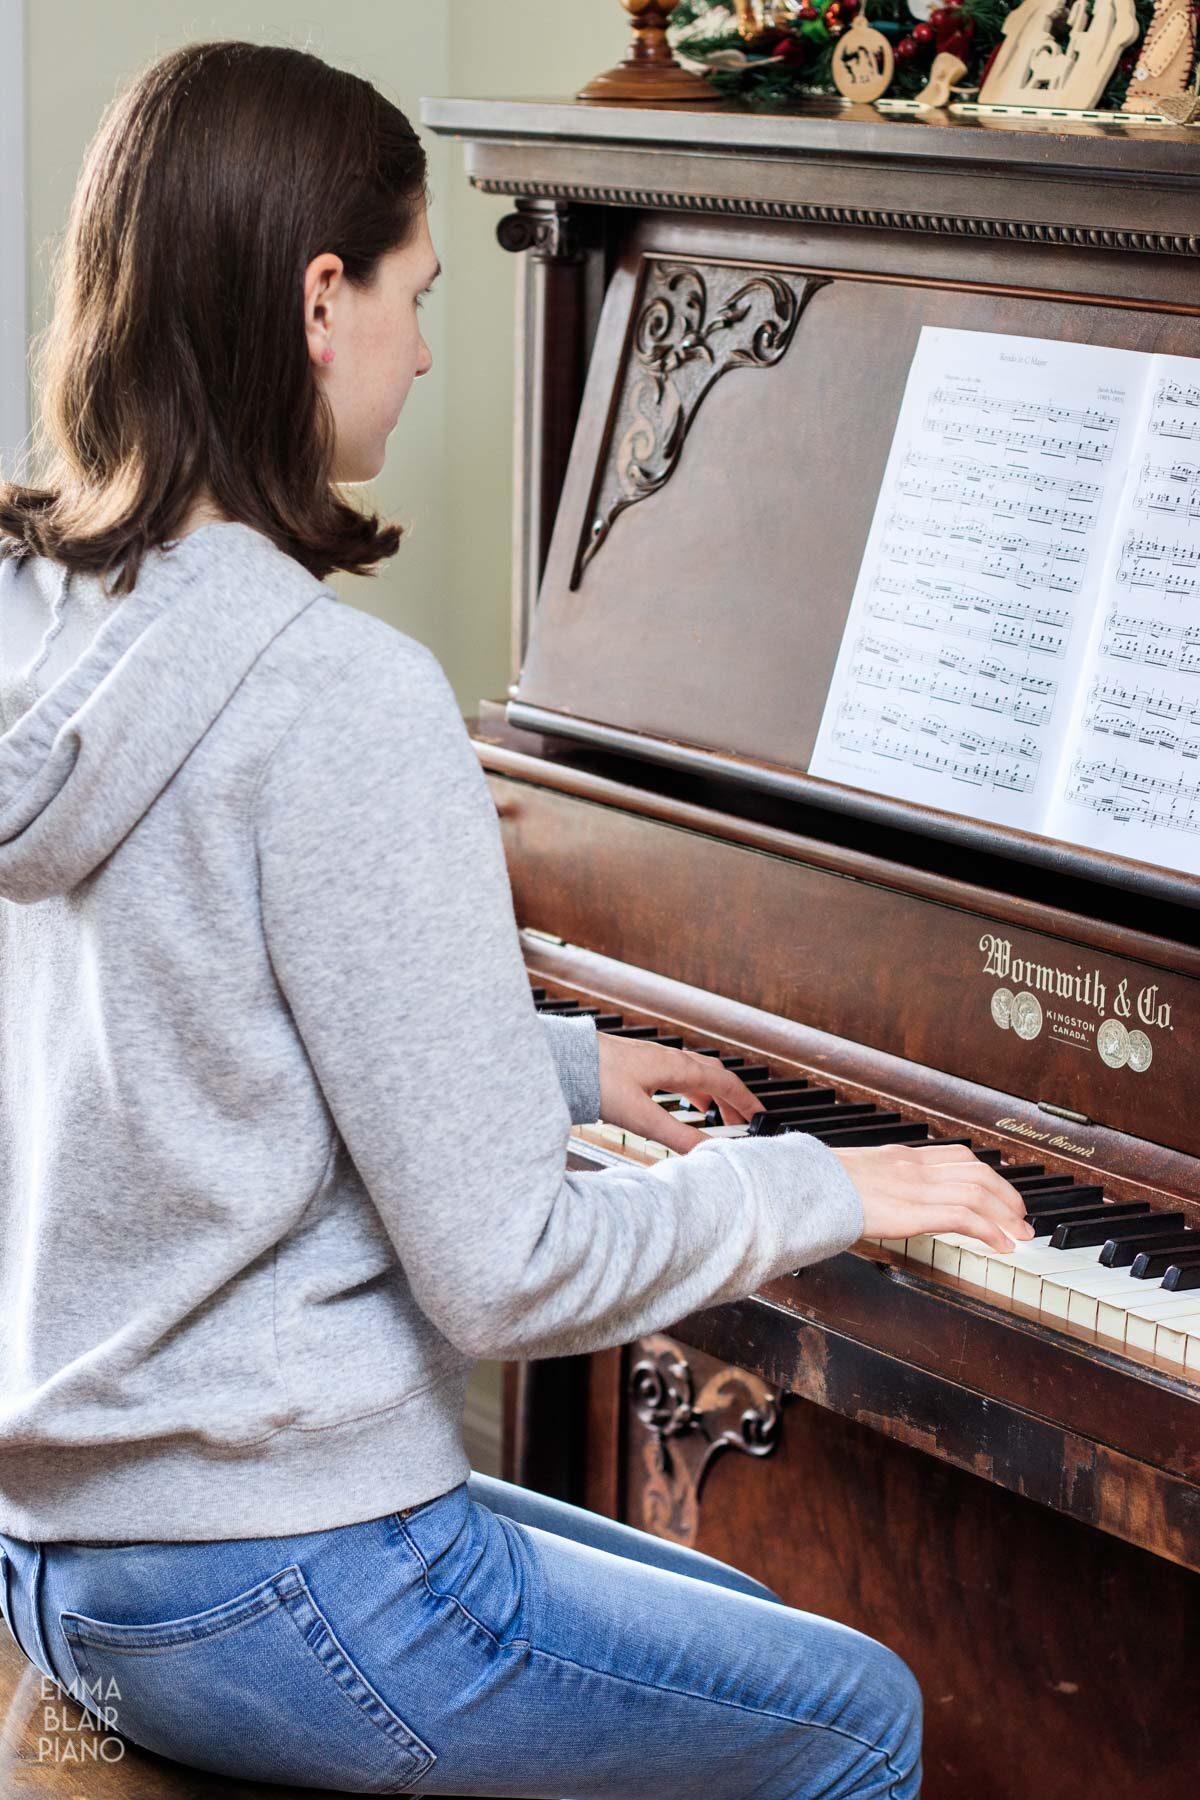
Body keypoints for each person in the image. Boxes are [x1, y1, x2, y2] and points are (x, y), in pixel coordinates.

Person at [0, 40, 1031, 1797]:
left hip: (71, 1558)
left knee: (720, 1612)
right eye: (417, 290)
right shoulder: (340, 695)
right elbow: (510, 1275)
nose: (427, 345)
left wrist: (548, 1064)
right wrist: (822, 1187)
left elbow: (187, 1021)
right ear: (319, 300)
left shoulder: (46, 612)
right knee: (856, 1718)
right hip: (276, 1582)